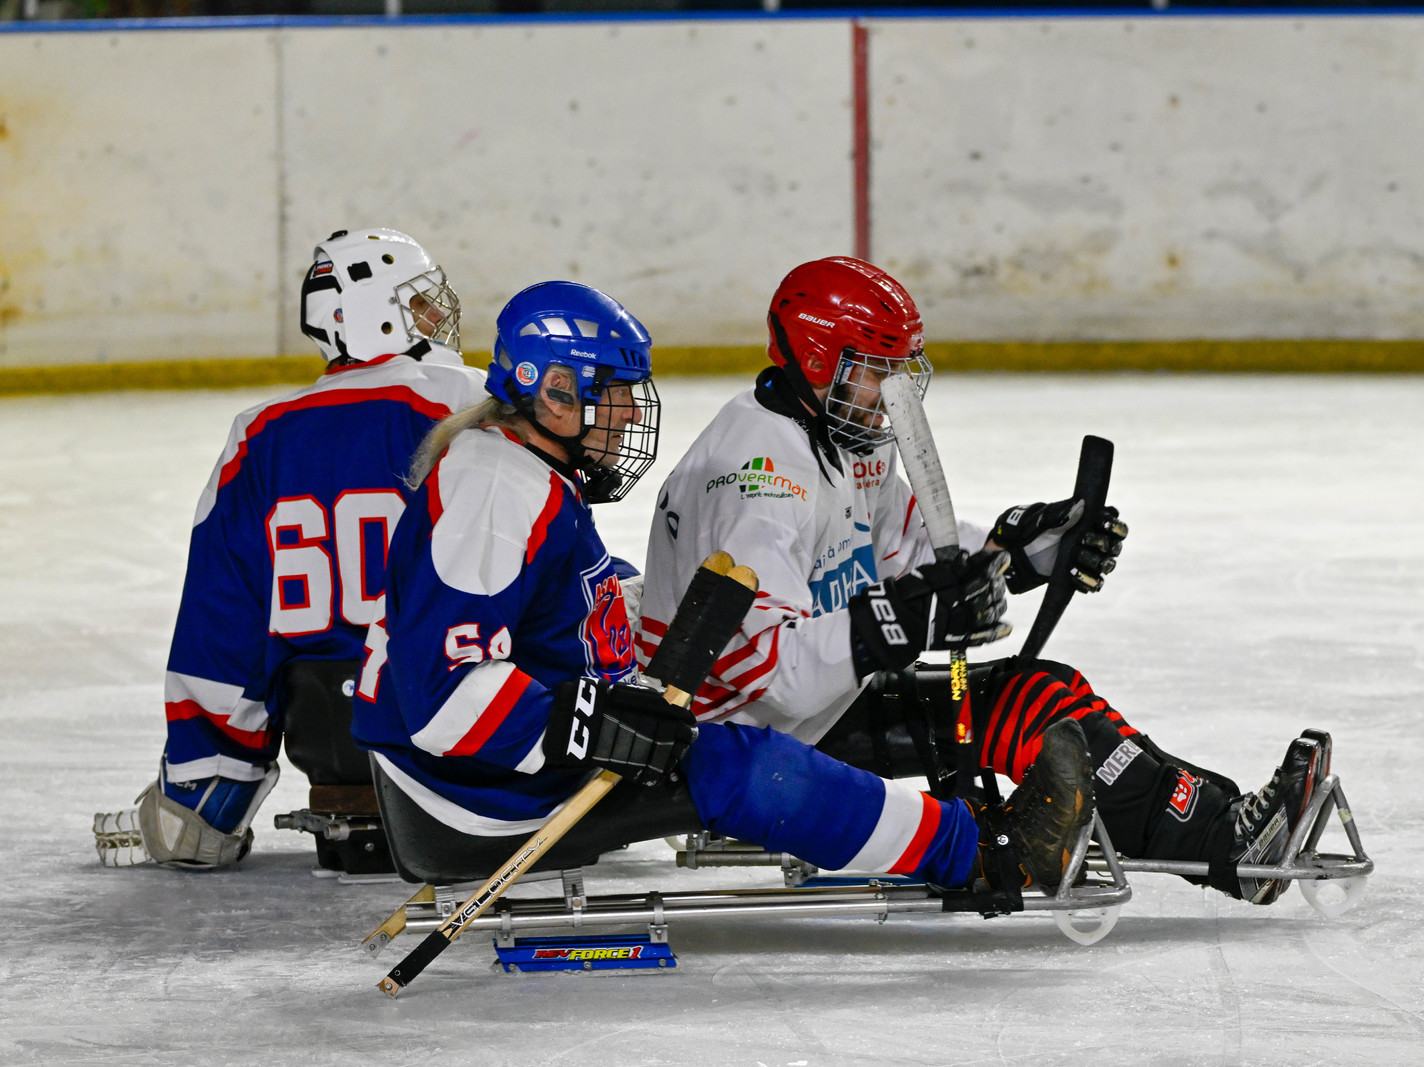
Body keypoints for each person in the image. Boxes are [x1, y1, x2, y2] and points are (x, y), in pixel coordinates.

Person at [350, 280, 1095, 907]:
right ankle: (991, 855)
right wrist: (594, 720)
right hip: (476, 800)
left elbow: (545, 610)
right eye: (613, 394)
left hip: (494, 770)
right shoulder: (495, 490)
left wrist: (1003, 559)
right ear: (552, 392)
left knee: (723, 737)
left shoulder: (517, 473)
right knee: (742, 765)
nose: (633, 414)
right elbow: (443, 702)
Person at [638, 256, 1330, 906]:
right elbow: (772, 672)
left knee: (1043, 695)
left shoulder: (842, 442)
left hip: (811, 710)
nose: (895, 393)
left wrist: (1019, 554)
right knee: (1030, 703)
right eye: (878, 370)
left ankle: (1223, 828)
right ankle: (1215, 841)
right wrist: (902, 622)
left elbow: (918, 556)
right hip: (740, 734)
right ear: (821, 360)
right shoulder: (759, 478)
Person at [95, 228, 487, 870]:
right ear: (369, 316)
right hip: (468, 722)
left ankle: (209, 791)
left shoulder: (260, 434)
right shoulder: (471, 403)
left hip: (333, 731)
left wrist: (206, 787)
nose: (436, 317)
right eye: (417, 304)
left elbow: (222, 617)